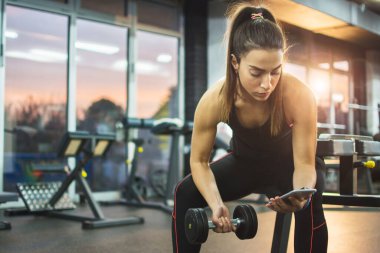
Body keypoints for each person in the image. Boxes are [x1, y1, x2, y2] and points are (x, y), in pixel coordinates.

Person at [172, 3, 328, 253]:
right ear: (235, 62)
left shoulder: (298, 94)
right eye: (256, 72)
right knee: (184, 192)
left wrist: (301, 196)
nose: (267, 84)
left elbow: (305, 165)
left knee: (311, 199)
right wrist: (216, 204)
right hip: (246, 165)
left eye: (275, 72)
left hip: (290, 166)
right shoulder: (216, 100)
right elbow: (199, 162)